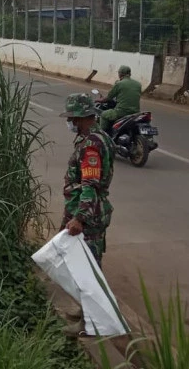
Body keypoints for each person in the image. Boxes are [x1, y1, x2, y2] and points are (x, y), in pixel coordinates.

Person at [59, 93, 115, 336]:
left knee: (89, 269)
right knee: (82, 266)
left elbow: (90, 184)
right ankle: (84, 311)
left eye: (72, 118)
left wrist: (79, 219)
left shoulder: (91, 144)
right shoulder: (95, 137)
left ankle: (91, 326)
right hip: (87, 209)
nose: (70, 122)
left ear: (83, 118)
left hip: (88, 215)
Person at [97, 65, 142, 134]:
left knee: (103, 115)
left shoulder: (119, 84)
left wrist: (99, 100)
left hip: (121, 112)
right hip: (135, 113)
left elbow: (109, 97)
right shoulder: (138, 84)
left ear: (120, 74)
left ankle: (102, 136)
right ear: (129, 74)